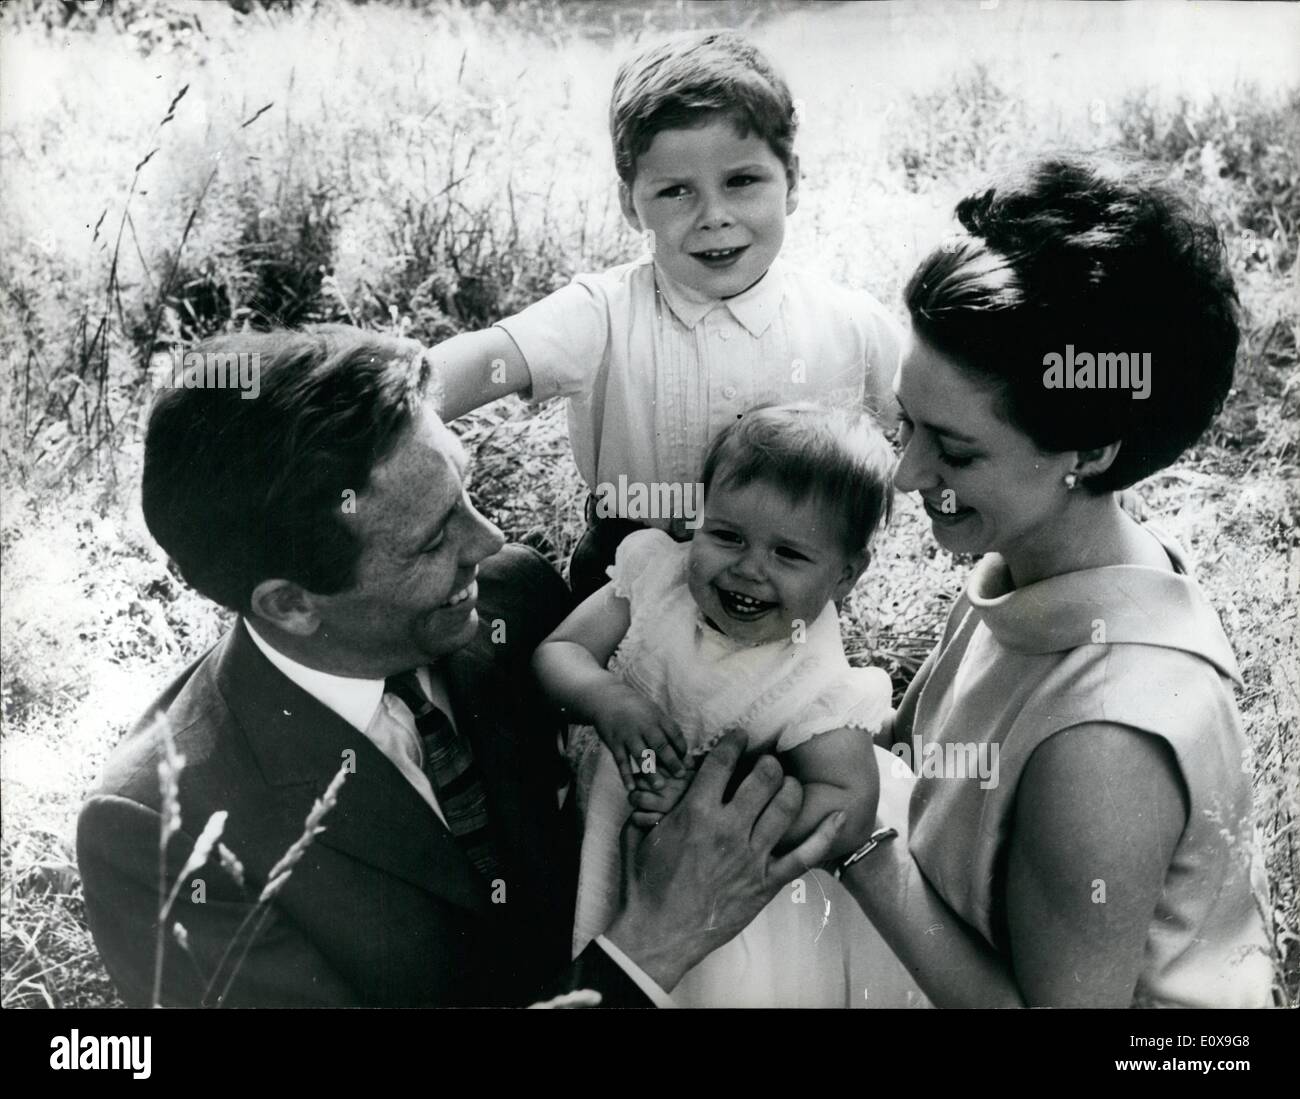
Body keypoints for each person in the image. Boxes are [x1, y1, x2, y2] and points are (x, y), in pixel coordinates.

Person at [75, 325, 844, 1008]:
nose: (490, 540)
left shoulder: (518, 598)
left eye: (465, 489)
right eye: (432, 537)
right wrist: (655, 943)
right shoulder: (157, 835)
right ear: (289, 603)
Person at [835, 156, 1275, 1007]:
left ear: (1093, 448)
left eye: (955, 451)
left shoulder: (1104, 746)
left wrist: (861, 851)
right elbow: (909, 744)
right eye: (905, 425)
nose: (905, 474)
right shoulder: (1032, 560)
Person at [425, 30, 901, 598]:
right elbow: (486, 362)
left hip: (780, 585)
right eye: (676, 191)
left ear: (792, 180)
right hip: (623, 575)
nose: (713, 215)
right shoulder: (604, 311)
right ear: (631, 203)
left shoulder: (848, 325)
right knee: (569, 663)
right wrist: (376, 416)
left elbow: (931, 419)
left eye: (742, 181)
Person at [534, 404, 922, 1007]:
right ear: (698, 519)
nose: (748, 569)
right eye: (726, 535)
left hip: (714, 872)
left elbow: (847, 803)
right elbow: (558, 652)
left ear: (845, 577)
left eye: (788, 555)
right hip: (611, 808)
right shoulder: (657, 577)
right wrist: (606, 698)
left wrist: (711, 809)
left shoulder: (813, 675)